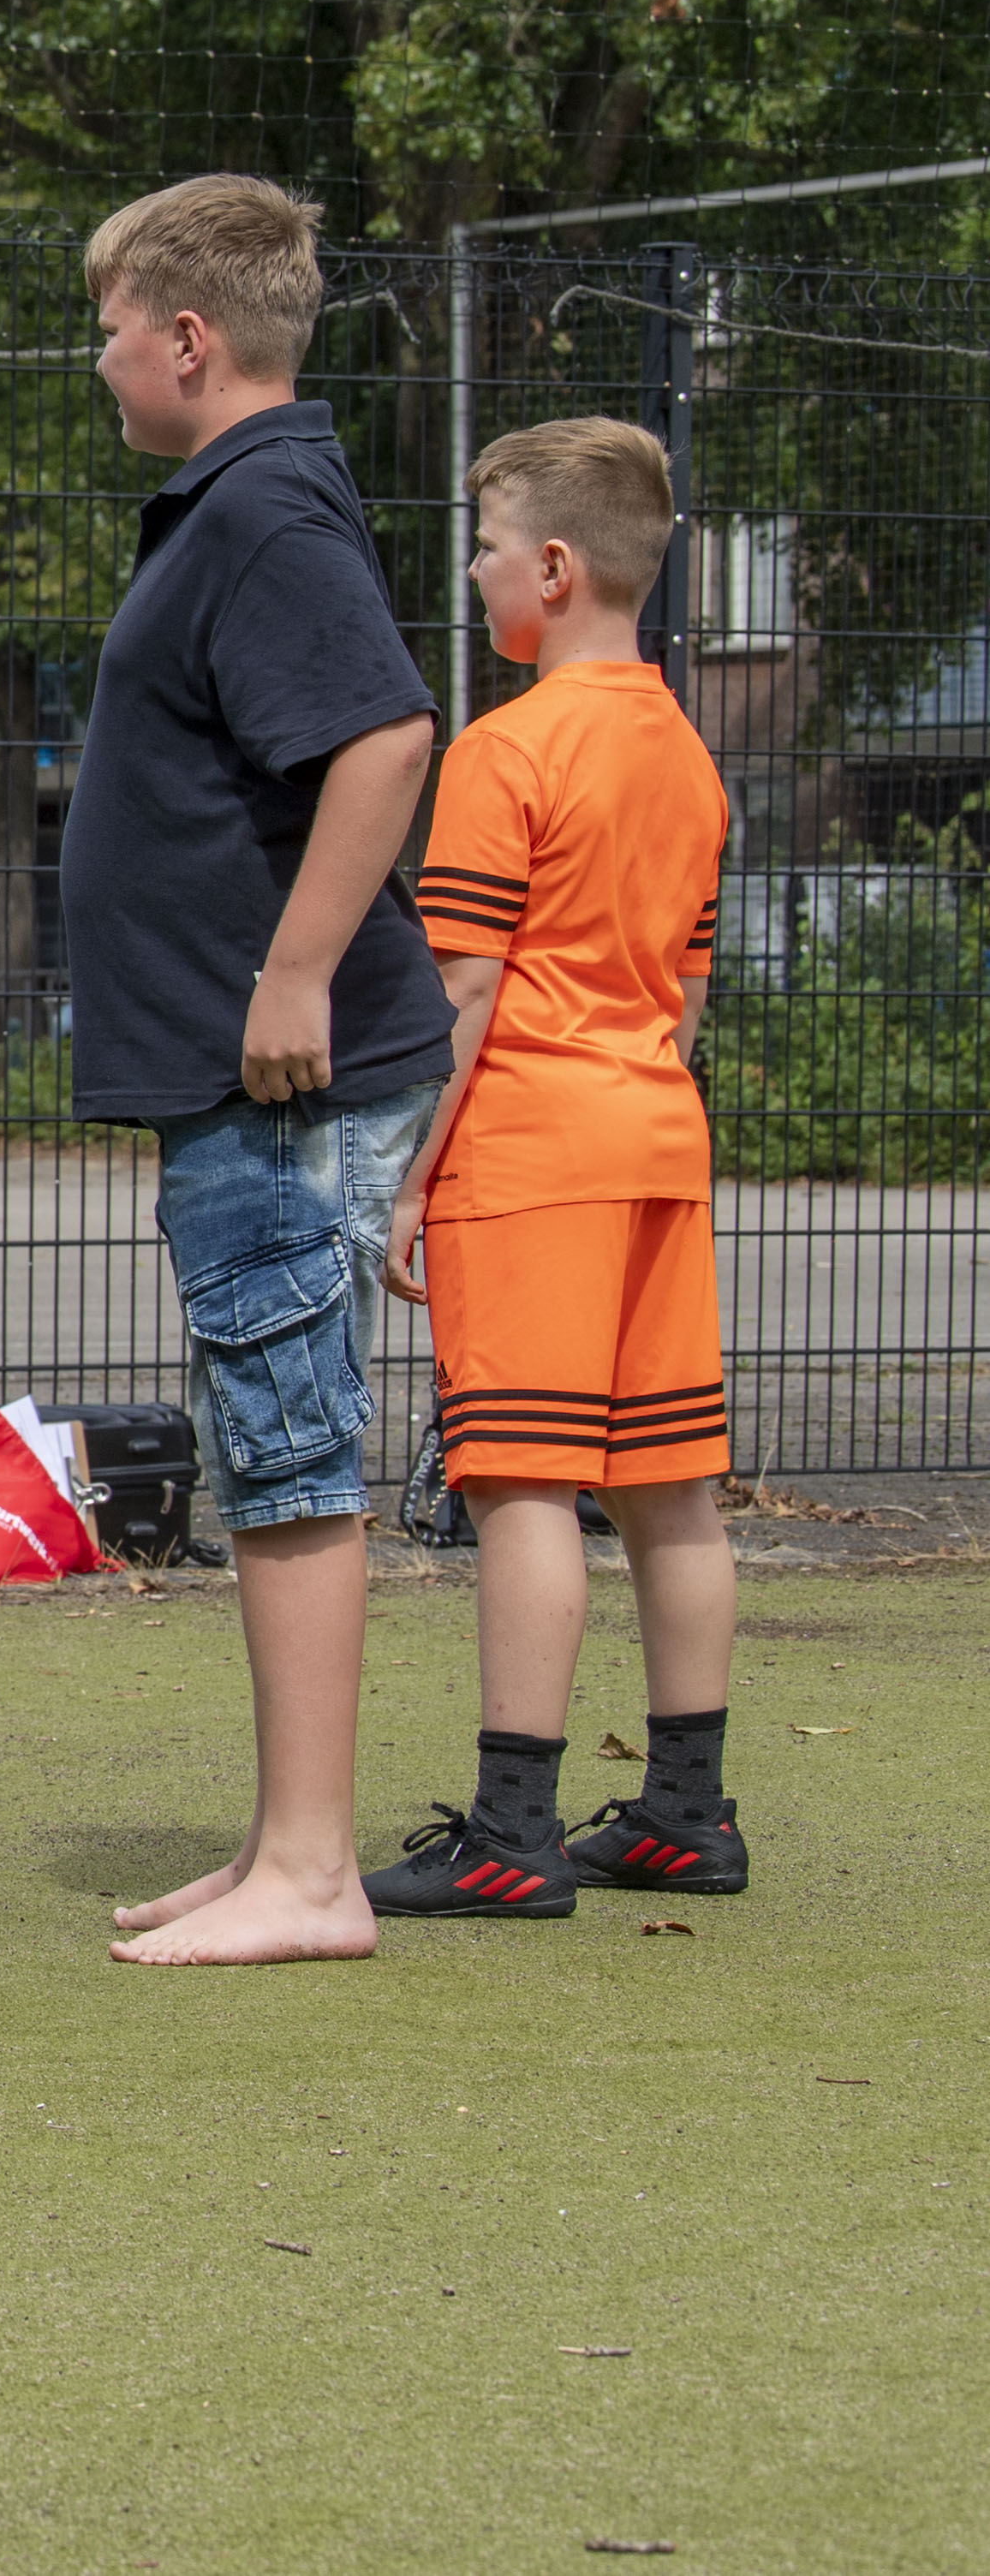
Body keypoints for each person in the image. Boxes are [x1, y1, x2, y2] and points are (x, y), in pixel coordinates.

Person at [60, 179, 453, 1971]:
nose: (102, 358)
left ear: (188, 338)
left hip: (286, 1080)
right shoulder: (243, 502)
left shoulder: (265, 504)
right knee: (265, 1436)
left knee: (288, 1450)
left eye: (110, 327)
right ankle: (281, 1846)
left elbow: (382, 732)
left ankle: (311, 1872)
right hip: (240, 1087)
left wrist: (293, 967)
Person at [367, 421, 742, 1918]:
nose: (473, 571)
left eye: (486, 544)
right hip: (659, 1135)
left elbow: (466, 996)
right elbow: (690, 995)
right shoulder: (687, 753)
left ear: (557, 567)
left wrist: (406, 1181)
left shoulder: (506, 748)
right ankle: (685, 1812)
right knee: (670, 1489)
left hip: (531, 1146)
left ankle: (511, 1827)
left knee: (523, 1484)